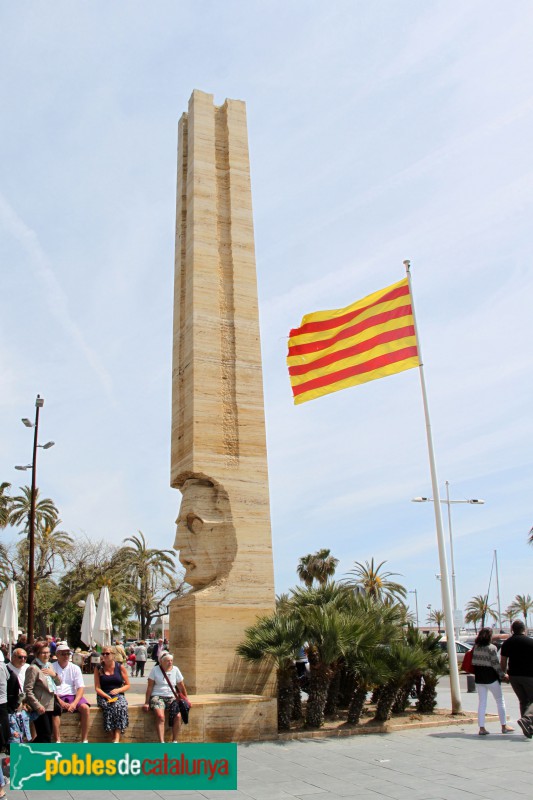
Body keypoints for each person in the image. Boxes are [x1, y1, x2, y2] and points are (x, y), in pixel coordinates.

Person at [471, 627, 513, 735]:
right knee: (500, 700)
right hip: (491, 678)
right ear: (489, 637)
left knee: (482, 703)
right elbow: (496, 665)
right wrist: (503, 676)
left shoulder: (476, 647)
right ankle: (504, 726)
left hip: (479, 678)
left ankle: (481, 728)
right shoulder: (492, 648)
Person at [143, 652, 189, 743]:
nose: (170, 662)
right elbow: (150, 687)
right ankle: (162, 742)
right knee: (160, 716)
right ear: (161, 661)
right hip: (157, 695)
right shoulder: (155, 670)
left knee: (178, 716)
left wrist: (186, 699)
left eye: (171, 660)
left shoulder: (175, 669)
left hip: (172, 696)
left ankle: (174, 741)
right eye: (168, 661)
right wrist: (147, 702)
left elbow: (181, 685)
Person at [51, 642, 91, 743]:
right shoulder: (51, 667)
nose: (66, 656)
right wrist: (60, 702)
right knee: (55, 710)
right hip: (56, 695)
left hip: (72, 695)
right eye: (63, 654)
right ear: (57, 655)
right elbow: (50, 688)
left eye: (68, 654)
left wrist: (74, 703)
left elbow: (80, 687)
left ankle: (84, 739)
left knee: (85, 708)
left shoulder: (75, 668)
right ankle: (57, 740)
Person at [500, 619, 533, 738]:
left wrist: (503, 674)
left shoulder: (507, 643)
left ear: (512, 629)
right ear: (524, 629)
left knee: (524, 701)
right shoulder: (530, 642)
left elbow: (503, 661)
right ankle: (527, 720)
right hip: (529, 676)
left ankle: (527, 728)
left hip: (514, 676)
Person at [23, 641, 61, 743]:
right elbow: (28, 689)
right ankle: (25, 752)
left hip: (50, 705)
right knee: (45, 735)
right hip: (40, 706)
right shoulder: (33, 668)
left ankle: (35, 754)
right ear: (37, 654)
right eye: (43, 653)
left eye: (48, 652)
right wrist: (37, 705)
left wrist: (54, 675)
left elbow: (58, 683)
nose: (46, 655)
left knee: (47, 735)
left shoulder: (49, 666)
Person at [94, 648, 130, 743]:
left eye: (107, 653)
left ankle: (116, 737)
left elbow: (127, 685)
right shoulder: (98, 668)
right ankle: (112, 736)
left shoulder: (120, 667)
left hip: (118, 694)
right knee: (108, 707)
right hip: (103, 694)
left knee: (120, 706)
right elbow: (97, 687)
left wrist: (118, 690)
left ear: (113, 655)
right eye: (103, 653)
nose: (105, 655)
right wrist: (105, 696)